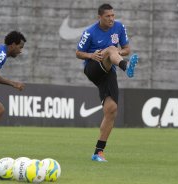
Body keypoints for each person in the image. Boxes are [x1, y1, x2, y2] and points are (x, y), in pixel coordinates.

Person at [76, 4, 138, 162]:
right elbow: (78, 53)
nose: (111, 19)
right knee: (110, 48)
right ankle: (126, 66)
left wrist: (117, 52)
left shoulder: (119, 27)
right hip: (93, 67)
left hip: (109, 70)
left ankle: (98, 152)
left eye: (113, 15)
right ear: (100, 17)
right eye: (108, 16)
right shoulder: (89, 32)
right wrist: (91, 55)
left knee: (112, 110)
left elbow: (126, 49)